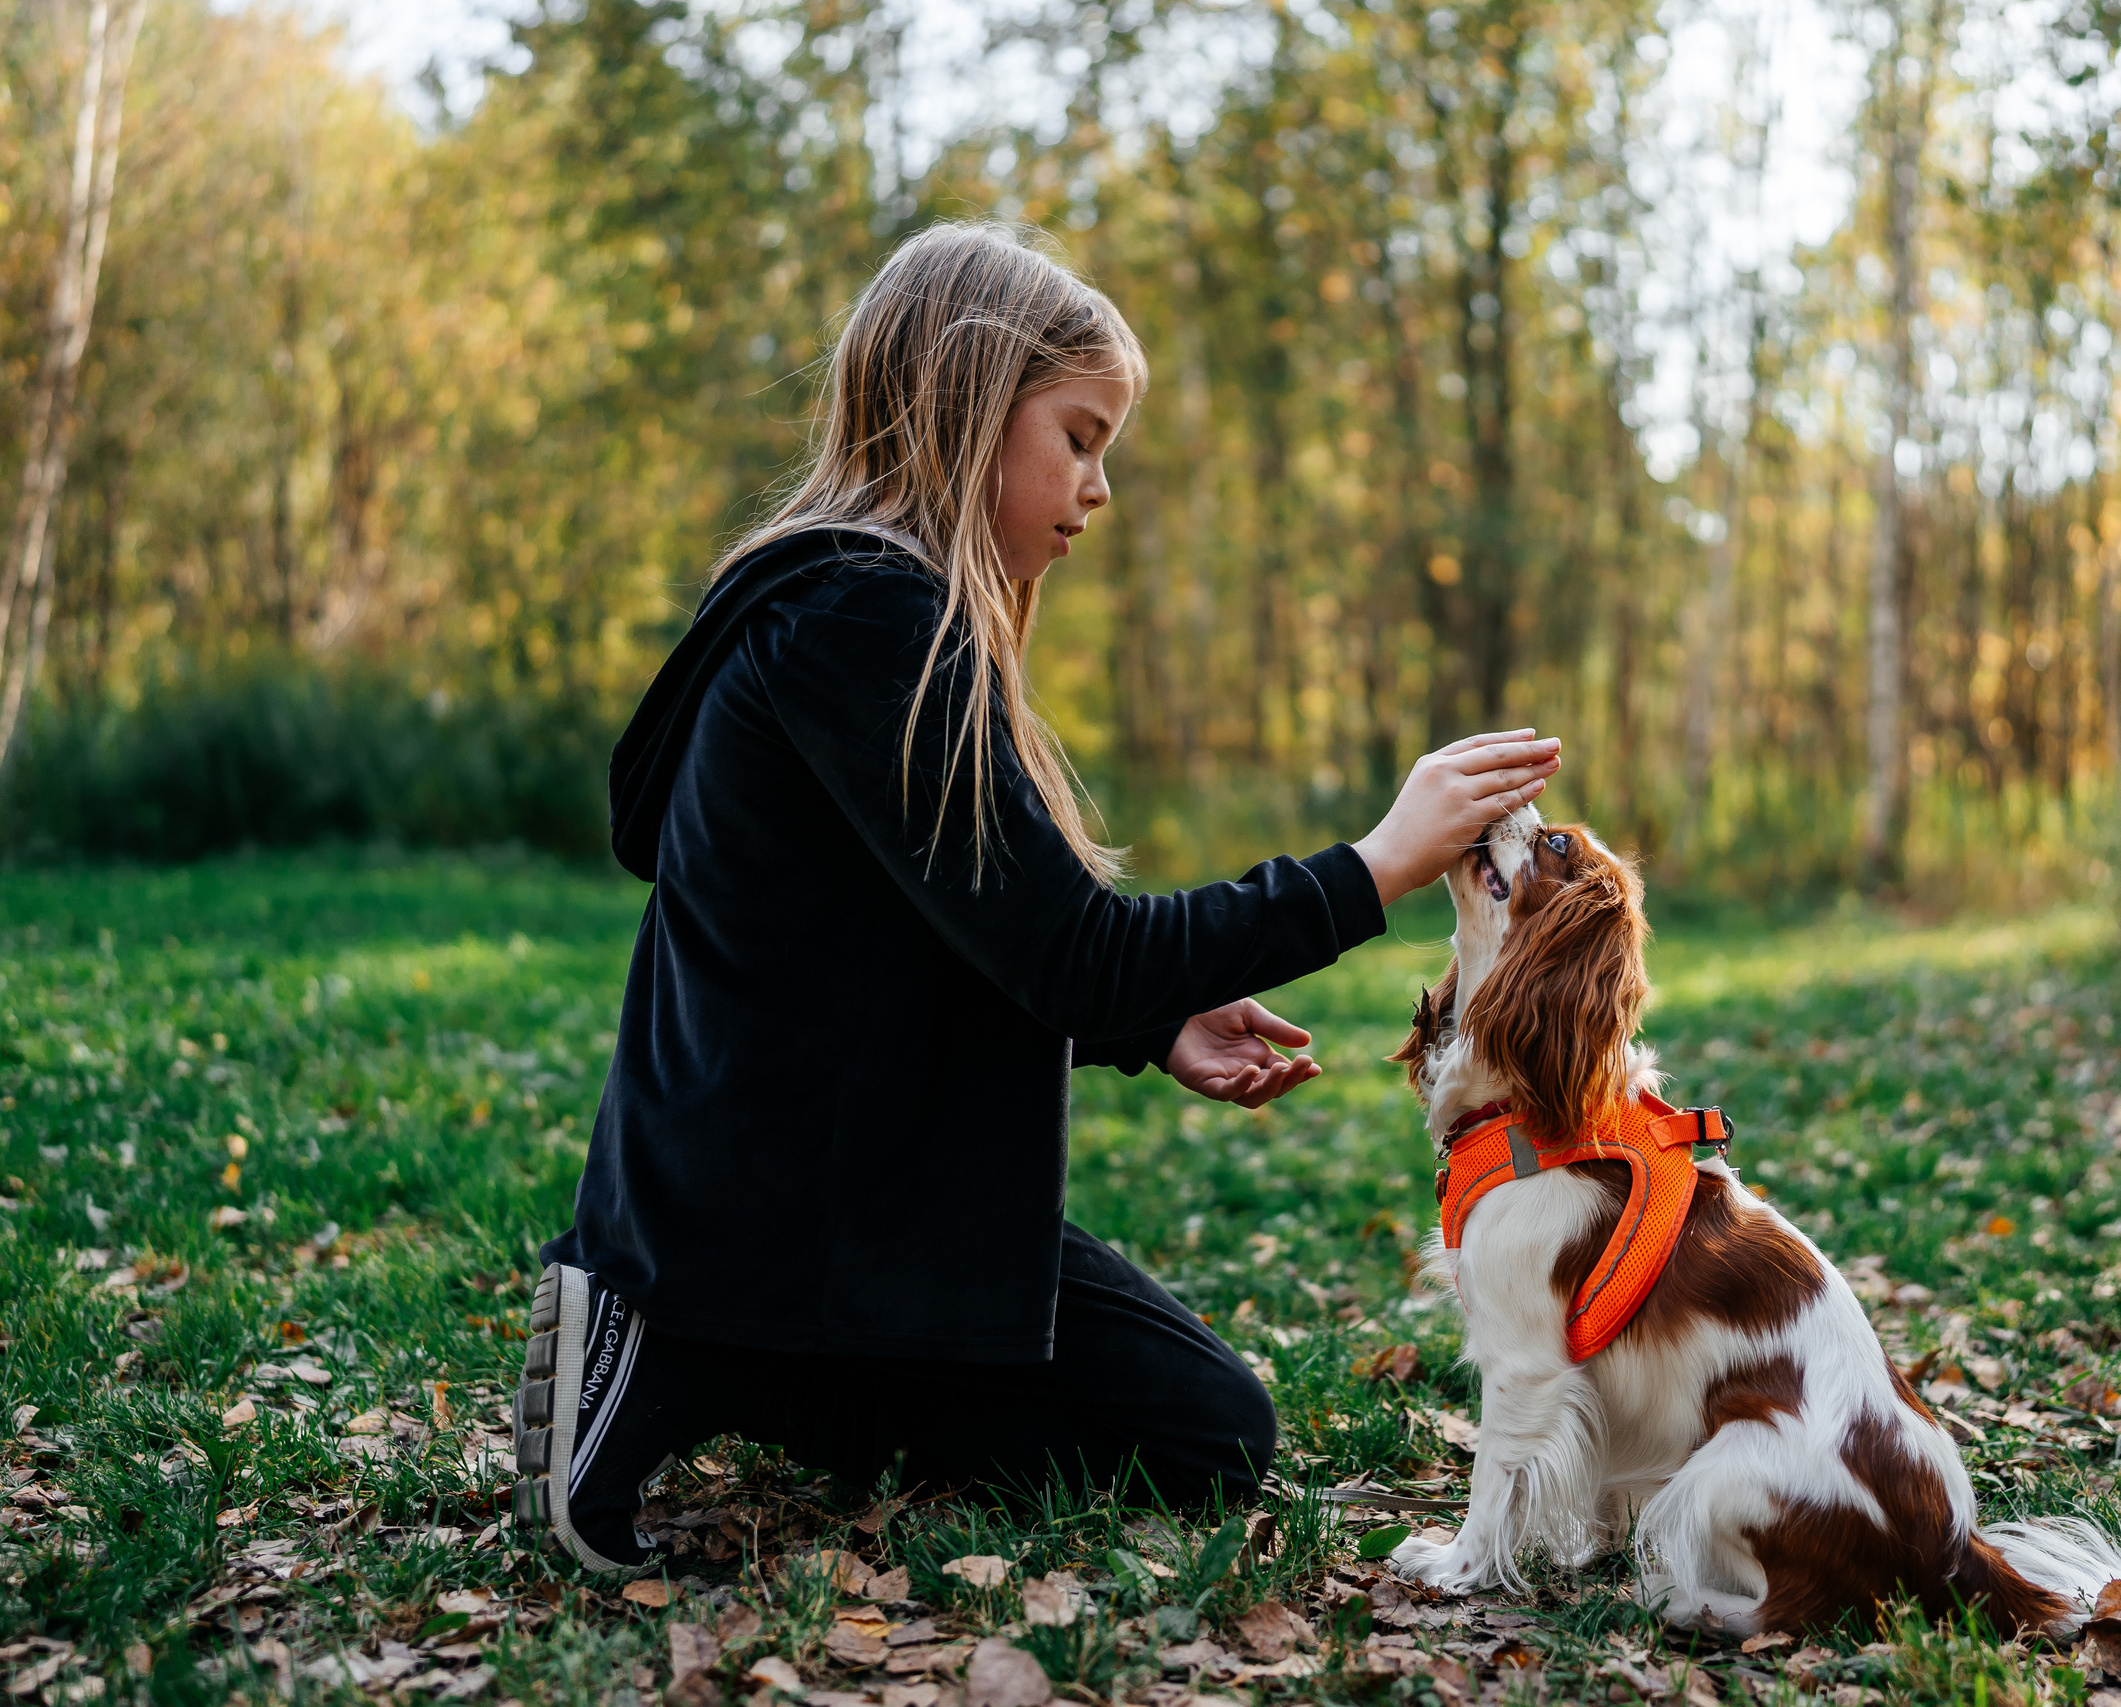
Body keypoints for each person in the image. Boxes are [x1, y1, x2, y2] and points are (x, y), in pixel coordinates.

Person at [512, 221, 1562, 1576]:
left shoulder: (881, 613)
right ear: (966, 406)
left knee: (1208, 1432)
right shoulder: (857, 621)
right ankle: (665, 1340)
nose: (1099, 487)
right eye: (1080, 436)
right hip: (770, 1205)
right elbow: (1074, 954)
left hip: (854, 1193)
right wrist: (1376, 867)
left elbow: (939, 953)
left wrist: (1146, 1019)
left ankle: (766, 1364)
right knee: (1202, 1436)